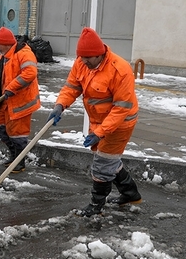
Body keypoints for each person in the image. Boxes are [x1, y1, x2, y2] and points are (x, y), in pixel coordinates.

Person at [48, 27, 142, 216]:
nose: (83, 62)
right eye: (81, 57)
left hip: (120, 122)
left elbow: (121, 108)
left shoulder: (119, 70)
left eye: (88, 58)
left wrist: (100, 132)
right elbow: (72, 87)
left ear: (99, 54)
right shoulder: (82, 63)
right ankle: (130, 194)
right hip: (99, 121)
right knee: (109, 161)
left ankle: (96, 205)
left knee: (102, 163)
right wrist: (60, 105)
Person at [0, 27, 41, 173]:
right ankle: (14, 154)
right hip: (6, 100)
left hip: (21, 102)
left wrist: (12, 87)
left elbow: (30, 73)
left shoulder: (24, 54)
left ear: (7, 43)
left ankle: (19, 161)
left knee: (18, 133)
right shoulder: (3, 59)